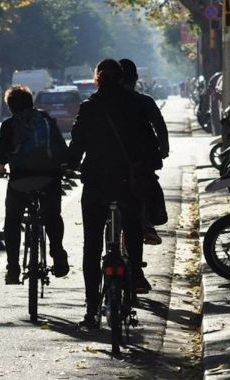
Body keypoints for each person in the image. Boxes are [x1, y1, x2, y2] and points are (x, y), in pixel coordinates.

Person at [67, 59, 162, 328]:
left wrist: (68, 164)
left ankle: (90, 309)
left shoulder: (89, 107)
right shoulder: (134, 105)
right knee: (132, 230)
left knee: (92, 245)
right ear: (121, 78)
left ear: (97, 79)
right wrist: (150, 163)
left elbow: (77, 144)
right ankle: (132, 287)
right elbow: (149, 141)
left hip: (96, 183)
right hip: (126, 182)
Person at [0, 85, 69, 284]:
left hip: (20, 181)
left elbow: (3, 153)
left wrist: (1, 169)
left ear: (10, 107)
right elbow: (60, 147)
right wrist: (65, 167)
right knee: (52, 215)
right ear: (31, 102)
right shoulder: (45, 120)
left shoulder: (8, 125)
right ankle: (58, 252)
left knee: (12, 220)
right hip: (48, 178)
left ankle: (12, 268)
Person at [119, 59, 169, 245]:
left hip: (110, 162)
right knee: (146, 187)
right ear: (136, 79)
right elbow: (160, 126)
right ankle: (146, 222)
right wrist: (163, 149)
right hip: (142, 158)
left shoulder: (101, 102)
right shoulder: (144, 101)